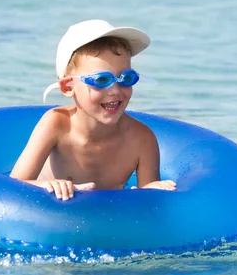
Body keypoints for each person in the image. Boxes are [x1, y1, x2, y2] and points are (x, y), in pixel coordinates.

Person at [10, 19, 176, 200]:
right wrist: (46, 186)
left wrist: (152, 190)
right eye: (101, 80)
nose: (115, 91)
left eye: (126, 78)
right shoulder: (56, 124)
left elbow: (150, 199)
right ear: (68, 87)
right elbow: (14, 185)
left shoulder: (142, 139)